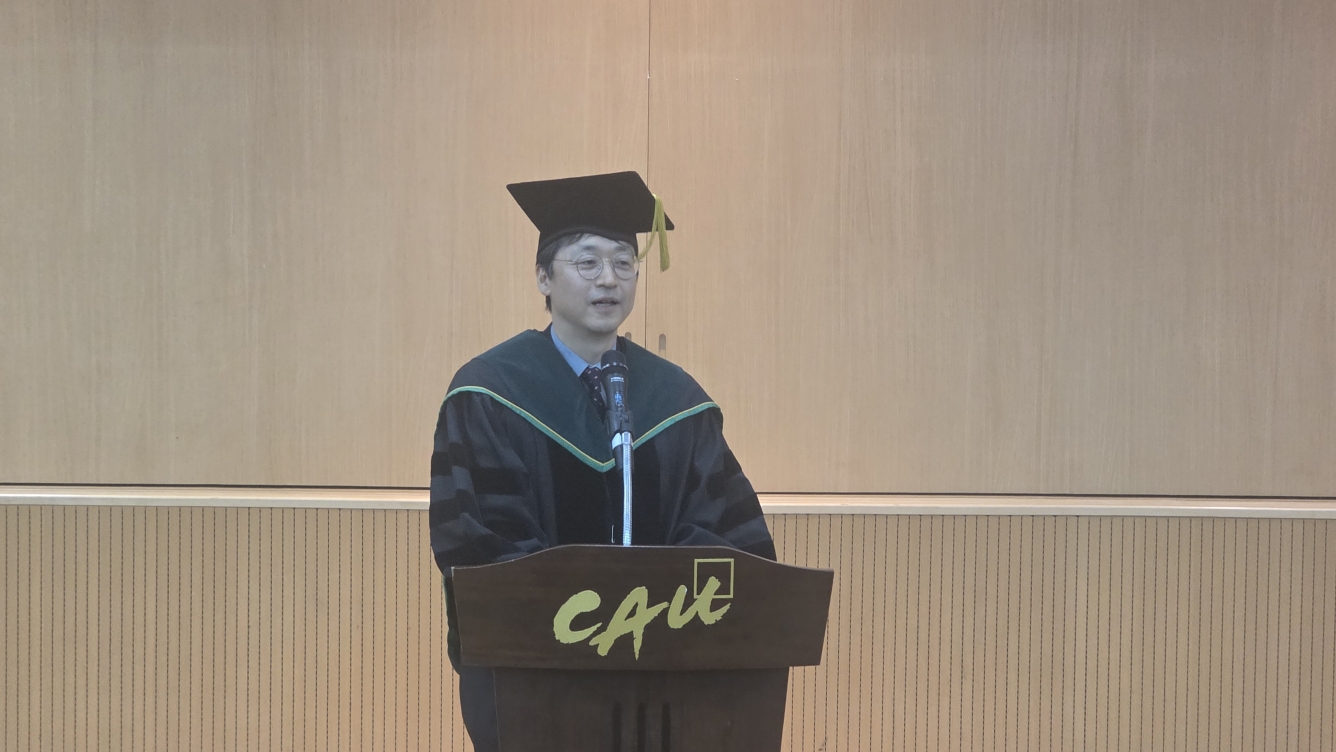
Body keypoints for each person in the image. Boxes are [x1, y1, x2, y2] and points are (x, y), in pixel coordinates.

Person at [428, 171, 775, 751]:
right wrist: (587, 620)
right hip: (535, 682)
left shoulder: (674, 400)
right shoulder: (490, 394)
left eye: (623, 262)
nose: (609, 279)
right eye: (587, 262)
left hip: (665, 684)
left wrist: (656, 618)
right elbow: (480, 542)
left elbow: (727, 539)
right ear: (544, 277)